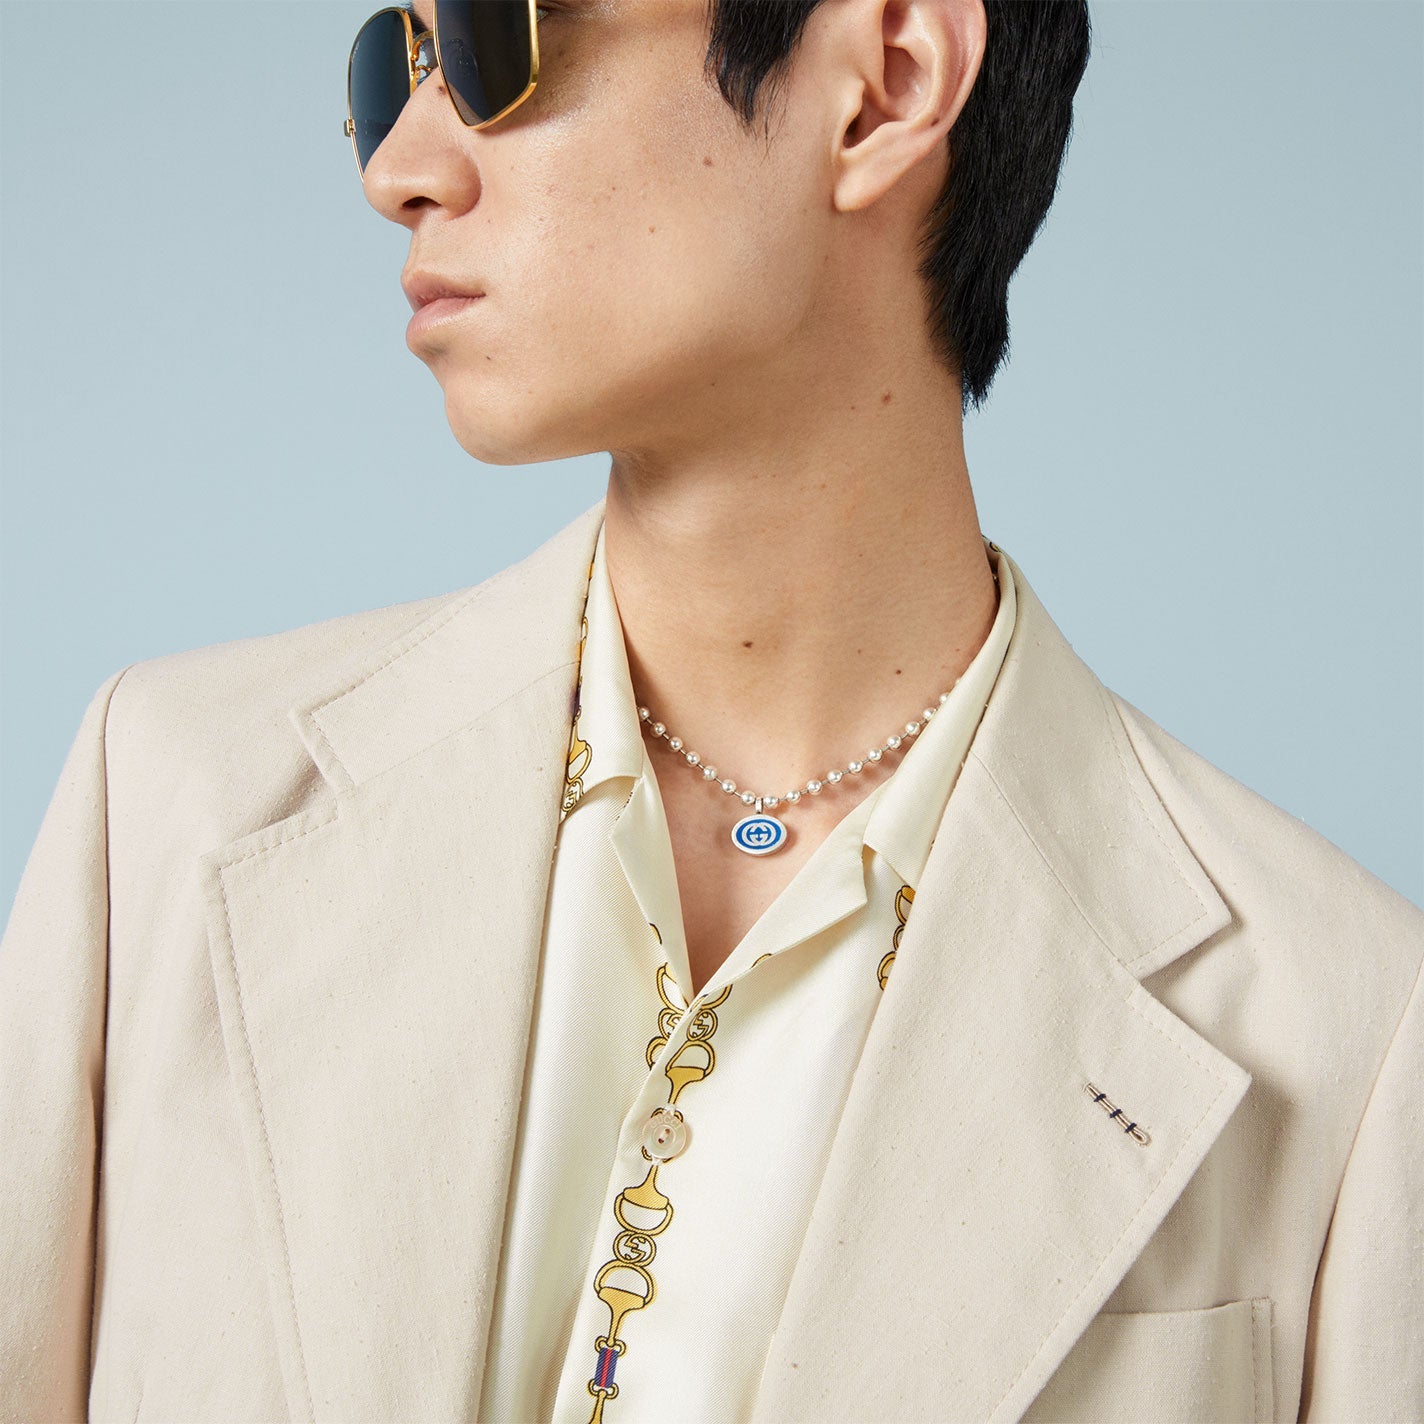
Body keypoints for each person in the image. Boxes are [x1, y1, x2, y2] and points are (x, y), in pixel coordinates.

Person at [2, 0, 1419, 1420]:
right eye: (390, 67)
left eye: (501, 44)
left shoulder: (1347, 1033)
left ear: (881, 86)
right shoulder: (170, 809)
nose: (401, 168)